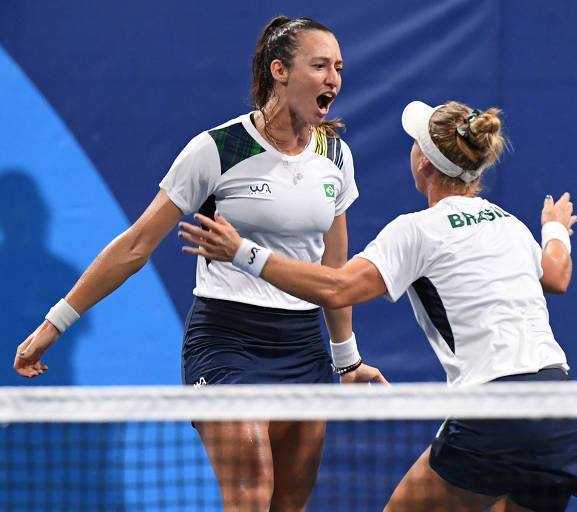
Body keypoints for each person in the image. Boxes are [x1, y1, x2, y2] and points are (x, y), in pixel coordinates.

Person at [14, 16, 385, 512]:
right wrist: (53, 323)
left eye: (338, 67)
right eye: (319, 66)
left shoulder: (335, 155)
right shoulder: (218, 149)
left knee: (289, 505)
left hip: (302, 345)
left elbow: (333, 269)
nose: (333, 79)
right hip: (227, 340)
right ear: (279, 70)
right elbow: (135, 245)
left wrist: (348, 359)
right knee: (252, 493)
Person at [178, 99, 577, 511]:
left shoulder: (418, 230)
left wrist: (243, 253)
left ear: (423, 162)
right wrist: (554, 229)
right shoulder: (509, 225)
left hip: (493, 416)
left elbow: (336, 288)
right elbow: (556, 275)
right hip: (562, 418)